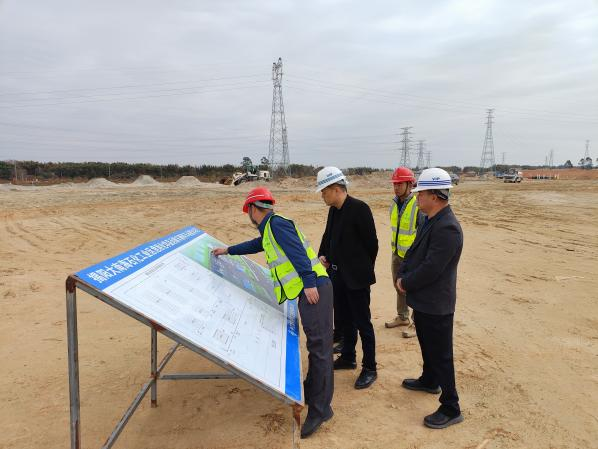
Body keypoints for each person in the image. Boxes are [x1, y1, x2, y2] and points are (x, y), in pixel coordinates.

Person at [211, 187, 333, 439]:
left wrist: (309, 282)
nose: (249, 216)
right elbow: (256, 245)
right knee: (316, 346)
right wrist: (229, 250)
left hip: (314, 289)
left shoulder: (277, 224)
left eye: (248, 211)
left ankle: (321, 410)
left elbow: (297, 252)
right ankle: (315, 393)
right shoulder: (270, 228)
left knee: (320, 348)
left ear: (253, 209)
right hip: (309, 289)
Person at [396, 167, 464, 429]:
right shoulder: (430, 220)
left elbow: (432, 268)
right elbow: (414, 252)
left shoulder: (448, 228)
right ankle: (429, 379)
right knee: (427, 344)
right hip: (424, 301)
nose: (417, 197)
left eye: (421, 193)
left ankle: (451, 407)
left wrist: (406, 282)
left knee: (442, 354)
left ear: (435, 196)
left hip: (437, 304)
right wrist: (403, 272)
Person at [316, 167, 379, 390]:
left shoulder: (360, 209)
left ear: (336, 189)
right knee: (345, 321)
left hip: (357, 279)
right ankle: (348, 357)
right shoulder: (334, 211)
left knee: (363, 323)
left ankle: (370, 368)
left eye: (324, 191)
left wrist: (360, 270)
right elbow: (328, 237)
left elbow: (372, 245)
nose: (322, 195)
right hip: (338, 276)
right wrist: (323, 255)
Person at [385, 167, 425, 338]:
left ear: (410, 184)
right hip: (397, 253)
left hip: (413, 257)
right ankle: (402, 316)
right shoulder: (394, 203)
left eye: (400, 184)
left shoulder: (417, 205)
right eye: (395, 184)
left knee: (414, 289)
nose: (396, 187)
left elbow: (423, 233)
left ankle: (417, 323)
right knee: (398, 285)